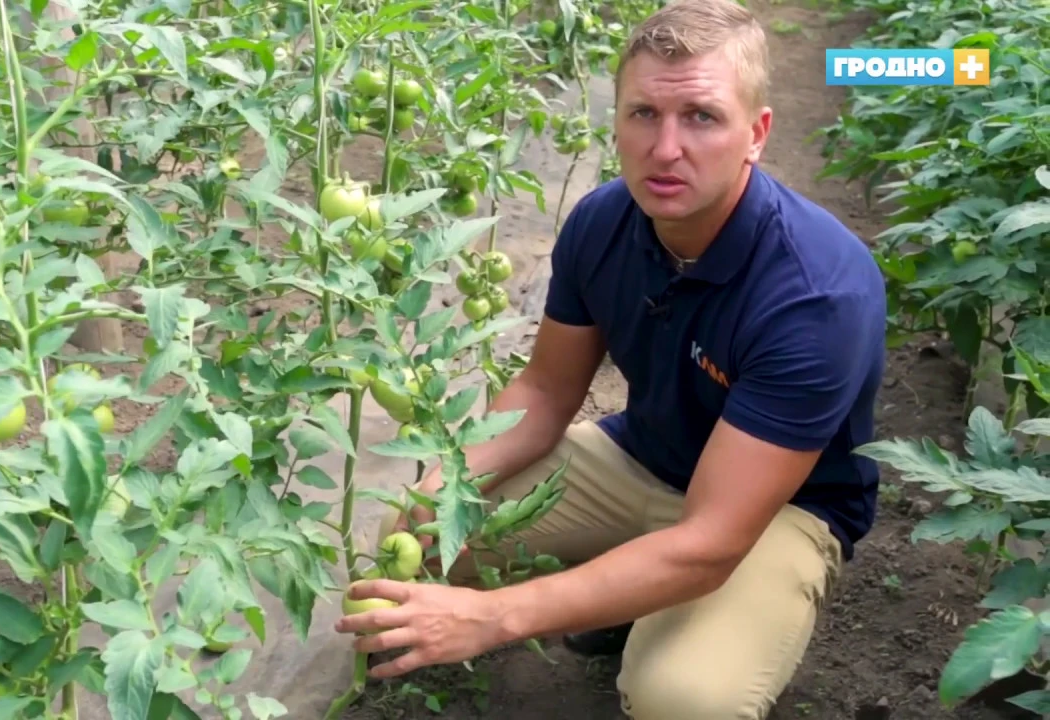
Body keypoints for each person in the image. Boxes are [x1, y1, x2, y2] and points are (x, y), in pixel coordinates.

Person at [333, 0, 887, 717]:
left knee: (683, 700)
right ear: (616, 121)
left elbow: (711, 540)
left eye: (702, 117)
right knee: (425, 533)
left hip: (775, 513)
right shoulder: (603, 221)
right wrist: (449, 479)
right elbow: (545, 390)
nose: (666, 148)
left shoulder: (815, 296)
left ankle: (646, 605)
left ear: (756, 134)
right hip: (643, 460)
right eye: (644, 114)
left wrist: (495, 616)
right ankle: (627, 593)